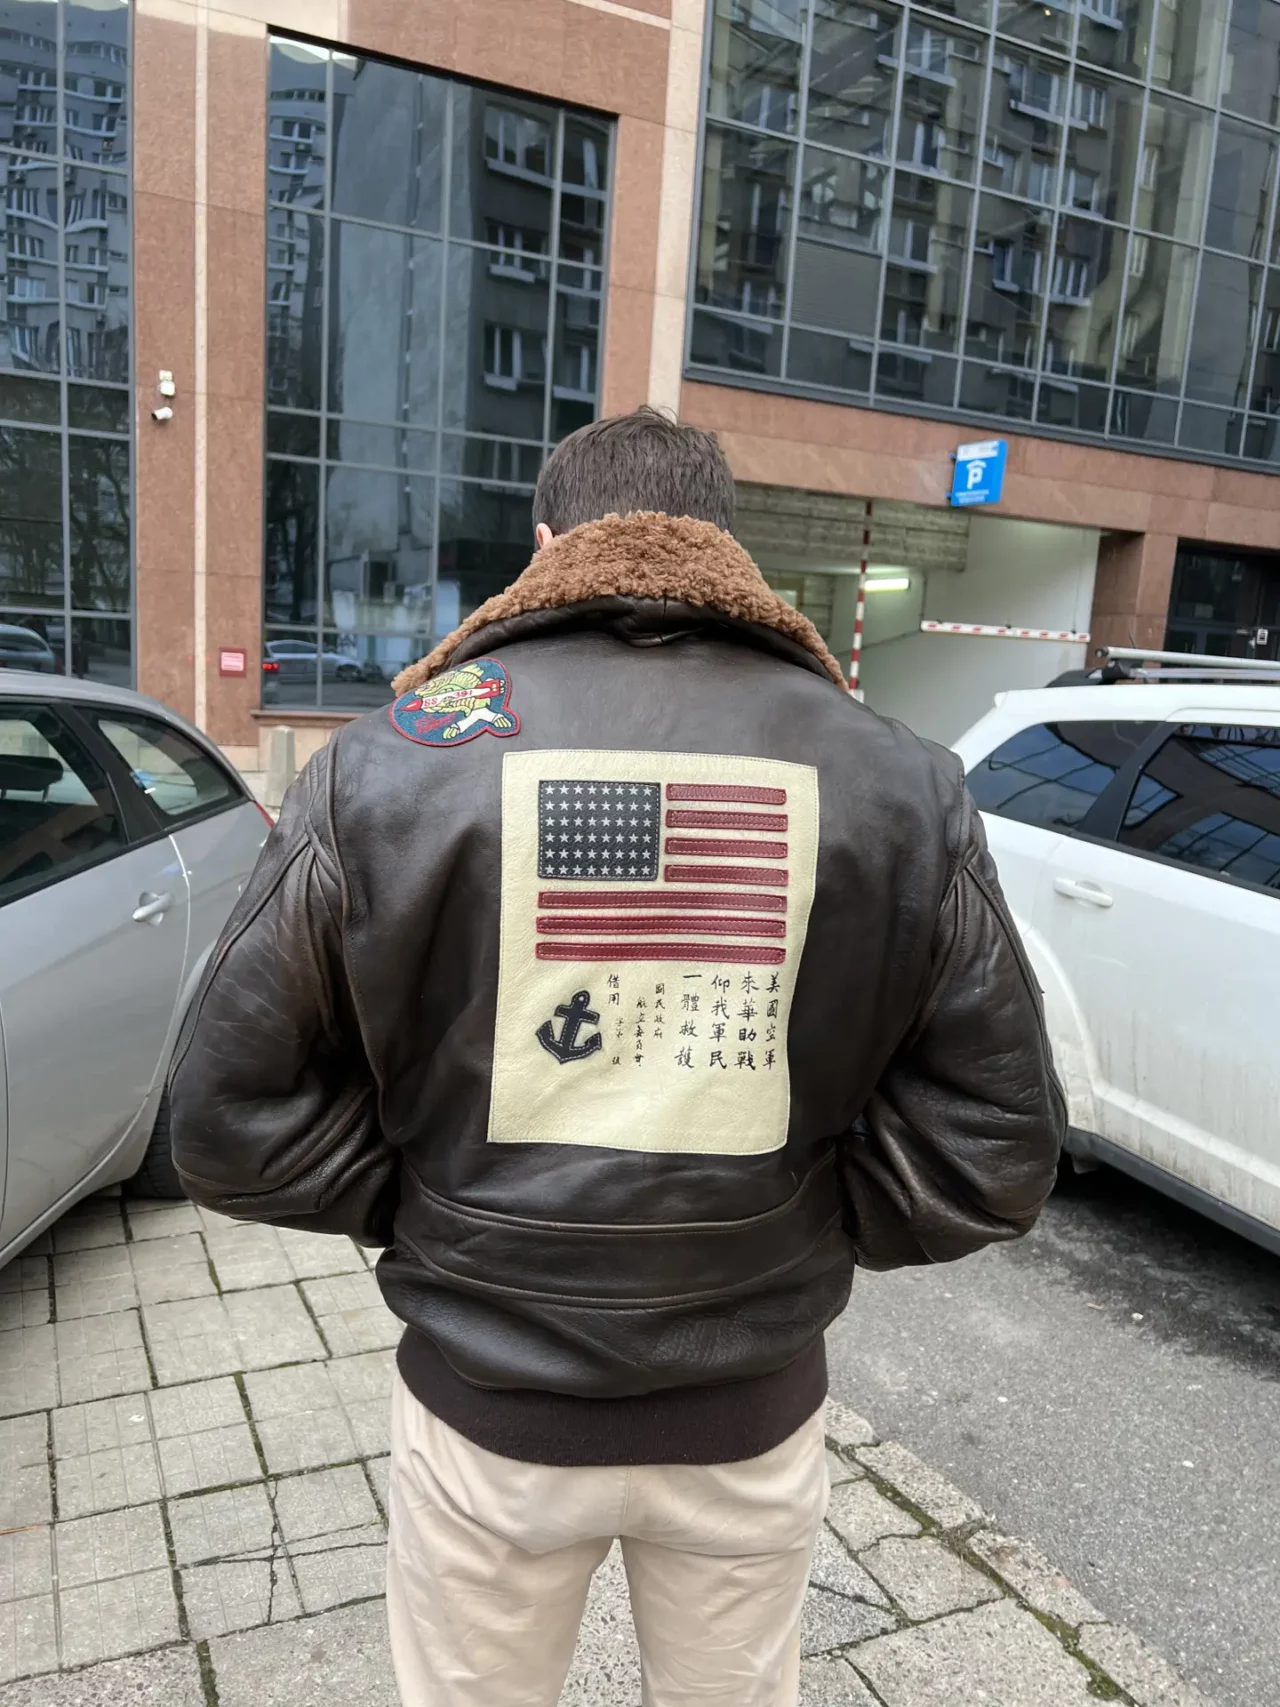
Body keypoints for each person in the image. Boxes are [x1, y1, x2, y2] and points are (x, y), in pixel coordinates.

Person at [169, 408, 1065, 1707]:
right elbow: (998, 1147)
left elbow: (223, 1117)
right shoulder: (897, 781)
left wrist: (430, 1208)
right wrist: (796, 1223)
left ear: (547, 547)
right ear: (726, 552)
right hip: (751, 1416)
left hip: (487, 1417)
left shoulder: (388, 761)